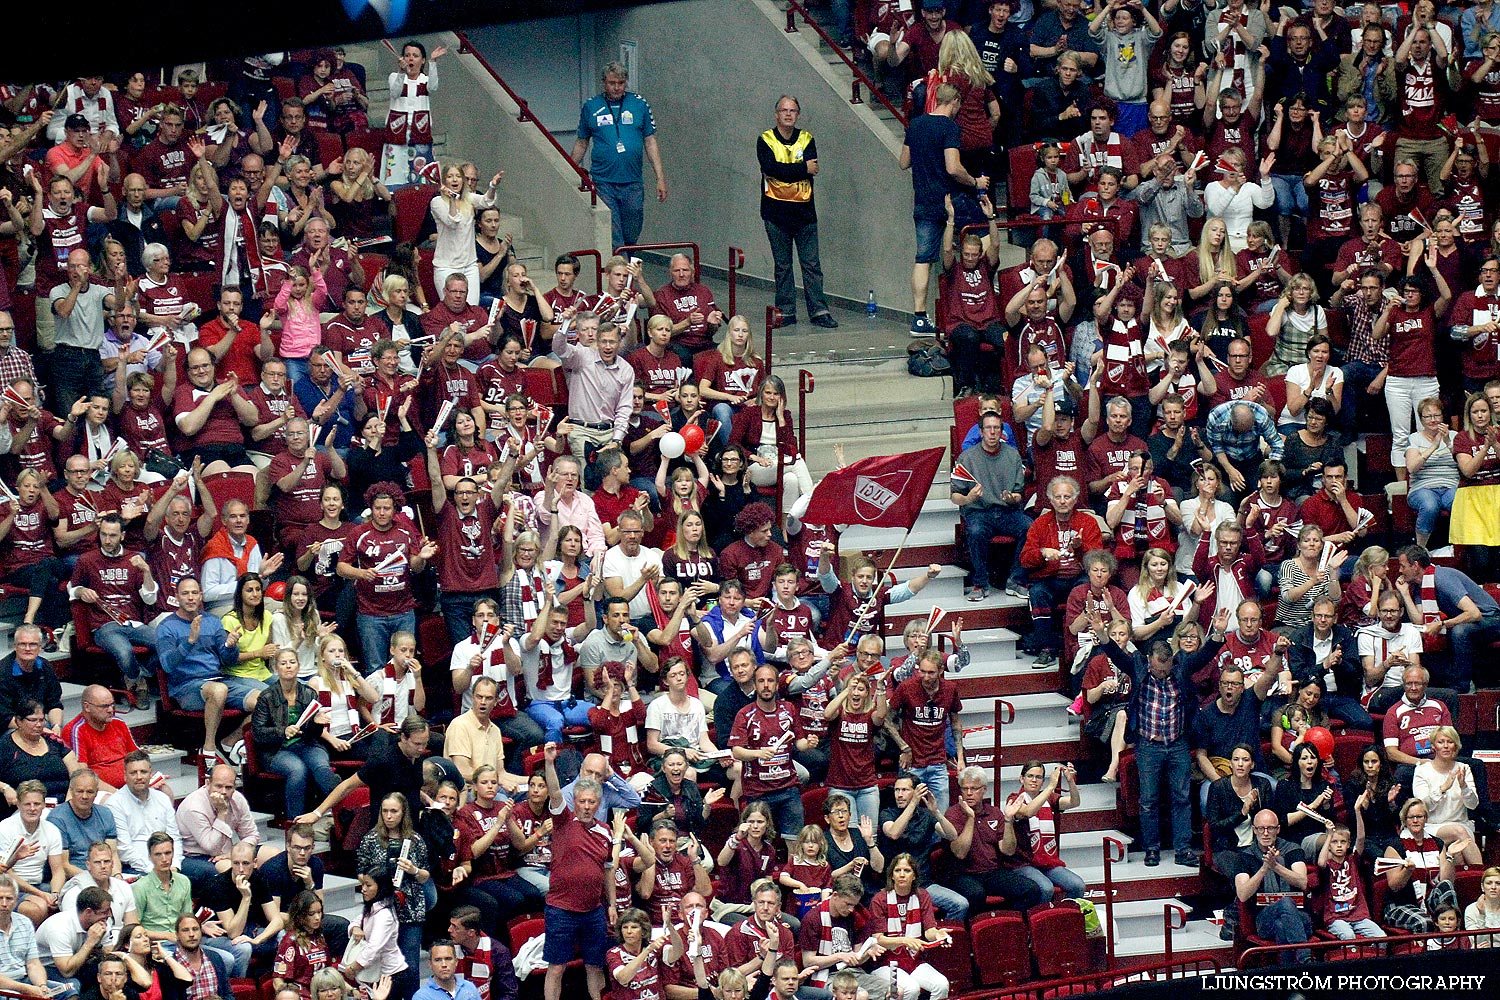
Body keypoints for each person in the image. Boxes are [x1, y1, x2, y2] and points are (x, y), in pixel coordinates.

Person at [901, 83, 990, 337]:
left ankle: (919, 318)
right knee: (982, 234)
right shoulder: (950, 127)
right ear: (955, 102)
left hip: (923, 201)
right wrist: (975, 182)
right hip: (950, 200)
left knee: (923, 259)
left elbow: (903, 162)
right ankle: (983, 299)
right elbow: (953, 168)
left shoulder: (915, 125)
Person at [539, 743, 616, 1000]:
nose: (585, 806)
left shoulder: (606, 831)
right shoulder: (563, 820)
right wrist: (549, 764)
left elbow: (608, 871)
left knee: (595, 966)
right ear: (575, 801)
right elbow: (554, 794)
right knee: (557, 967)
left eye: (591, 802)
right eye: (581, 801)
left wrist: (612, 904)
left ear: (598, 804)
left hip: (594, 911)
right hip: (561, 910)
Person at [570, 62, 667, 250]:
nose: (617, 87)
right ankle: (622, 271)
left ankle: (627, 262)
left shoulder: (639, 104)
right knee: (614, 233)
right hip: (604, 181)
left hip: (632, 181)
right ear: (604, 83)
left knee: (632, 230)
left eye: (621, 83)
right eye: (612, 83)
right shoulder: (591, 106)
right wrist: (569, 168)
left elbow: (650, 141)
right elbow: (582, 142)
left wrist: (660, 178)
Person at [758, 97, 835, 330]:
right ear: (776, 114)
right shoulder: (765, 140)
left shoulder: (807, 139)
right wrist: (802, 169)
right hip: (775, 214)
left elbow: (813, 169)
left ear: (798, 115)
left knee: (811, 265)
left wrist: (790, 172)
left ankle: (819, 311)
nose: (788, 114)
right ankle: (786, 312)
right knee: (782, 266)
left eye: (793, 111)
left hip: (804, 215)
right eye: (784, 110)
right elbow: (772, 169)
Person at [155, 578, 242, 763]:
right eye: (185, 593)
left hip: (218, 679)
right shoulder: (166, 627)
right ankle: (208, 749)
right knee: (219, 691)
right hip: (186, 687)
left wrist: (231, 645)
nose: (190, 598)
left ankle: (229, 743)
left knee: (264, 698)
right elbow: (167, 665)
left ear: (201, 596)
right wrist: (189, 641)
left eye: (194, 593)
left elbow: (229, 659)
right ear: (177, 597)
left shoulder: (212, 621)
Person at [1393, 545, 1500, 691]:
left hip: (1492, 619)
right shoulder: (1420, 585)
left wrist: (1442, 624)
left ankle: (1463, 688)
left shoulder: (1442, 577)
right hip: (1469, 621)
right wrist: (1404, 594)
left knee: (1460, 631)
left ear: (1415, 565)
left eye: (1402, 566)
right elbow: (1419, 620)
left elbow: (1474, 613)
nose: (1399, 570)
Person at [952, 411, 1030, 601]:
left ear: (1002, 432)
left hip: (1007, 511)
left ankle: (1016, 580)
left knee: (1030, 527)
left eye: (996, 428)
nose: (992, 432)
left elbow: (1019, 494)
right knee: (976, 531)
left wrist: (1013, 498)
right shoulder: (967, 458)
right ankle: (980, 583)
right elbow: (955, 497)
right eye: (988, 428)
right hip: (979, 512)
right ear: (981, 431)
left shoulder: (1013, 456)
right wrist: (968, 498)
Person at [1233, 810, 1312, 961]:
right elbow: (1242, 894)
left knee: (1282, 925)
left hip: (1300, 917)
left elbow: (1302, 882)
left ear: (1278, 829)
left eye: (1270, 828)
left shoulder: (1292, 849)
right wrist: (1264, 868)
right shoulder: (1244, 856)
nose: (1266, 833)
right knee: (1285, 904)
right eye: (1261, 829)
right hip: (1264, 918)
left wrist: (1276, 867)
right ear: (1254, 830)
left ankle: (1284, 974)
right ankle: (1306, 959)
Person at [175, 764, 259, 884]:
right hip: (196, 857)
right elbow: (212, 848)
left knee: (270, 855)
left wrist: (235, 853)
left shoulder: (237, 799)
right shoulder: (193, 807)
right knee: (235, 870)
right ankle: (245, 901)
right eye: (218, 786)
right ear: (208, 783)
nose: (223, 792)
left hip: (229, 852)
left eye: (228, 787)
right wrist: (221, 814)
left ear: (234, 787)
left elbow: (252, 835)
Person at [107, 752, 181, 876]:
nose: (139, 776)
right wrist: (153, 870)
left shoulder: (162, 799)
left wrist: (175, 866)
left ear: (151, 774)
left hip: (168, 863)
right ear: (125, 776)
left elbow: (174, 837)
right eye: (133, 773)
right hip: (137, 868)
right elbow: (124, 849)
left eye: (143, 772)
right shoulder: (115, 804)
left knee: (206, 874)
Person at [414, 940, 481, 1000]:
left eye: (448, 959)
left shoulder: (469, 987)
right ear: (430, 964)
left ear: (456, 961)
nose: (444, 964)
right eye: (438, 960)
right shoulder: (422, 997)